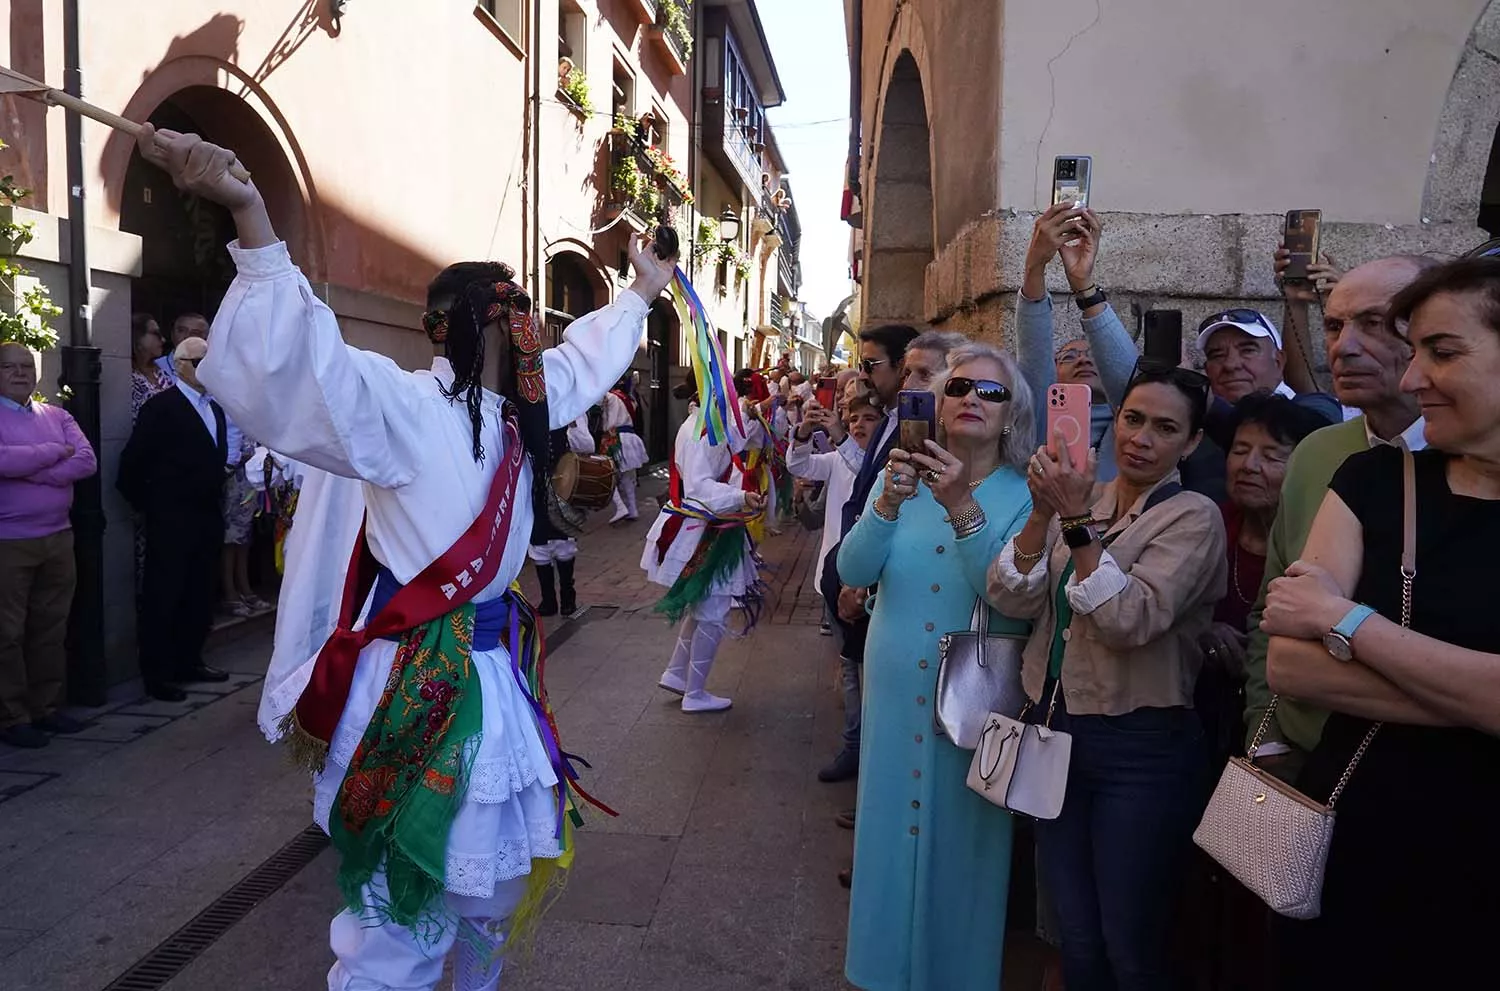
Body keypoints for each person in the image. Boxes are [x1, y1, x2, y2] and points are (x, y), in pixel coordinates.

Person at [135, 124, 676, 990]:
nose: (533, 346)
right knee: (402, 913)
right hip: (419, 672)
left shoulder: (511, 416)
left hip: (491, 667)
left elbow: (579, 365)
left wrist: (640, 296)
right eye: (516, 327)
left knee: (486, 899)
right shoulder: (400, 402)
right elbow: (307, 367)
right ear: (467, 329)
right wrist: (251, 214)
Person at [1262, 257, 1500, 988]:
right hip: (1361, 838)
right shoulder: (1369, 480)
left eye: (1443, 350)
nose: (1410, 377)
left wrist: (1345, 619)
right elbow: (1290, 665)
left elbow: (1319, 634)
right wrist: (1473, 697)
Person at [990, 358, 1227, 991]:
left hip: (1140, 745)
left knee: (1131, 940)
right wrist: (1043, 514)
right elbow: (1012, 600)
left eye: (1165, 428)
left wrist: (1071, 522)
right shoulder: (1085, 498)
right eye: (1133, 419)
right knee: (1076, 932)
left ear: (1192, 442)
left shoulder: (1193, 517)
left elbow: (1130, 620)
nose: (1142, 438)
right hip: (1056, 730)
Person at [839, 341, 1036, 991]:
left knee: (967, 847)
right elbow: (854, 570)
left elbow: (1004, 590)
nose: (972, 401)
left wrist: (960, 506)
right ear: (937, 405)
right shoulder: (904, 480)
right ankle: (881, 971)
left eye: (992, 393)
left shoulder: (1025, 495)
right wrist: (886, 507)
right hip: (896, 692)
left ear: (1013, 416)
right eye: (959, 389)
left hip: (981, 698)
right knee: (889, 828)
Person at [1241, 255, 1438, 781]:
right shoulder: (1316, 454)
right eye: (1333, 325)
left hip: (1434, 768)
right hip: (1305, 757)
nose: (1343, 347)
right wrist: (1267, 734)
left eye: (1372, 323)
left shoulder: (1474, 466)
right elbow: (1272, 605)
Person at [117, 336, 233, 702]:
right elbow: (132, 465)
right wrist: (155, 505)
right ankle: (158, 673)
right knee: (164, 594)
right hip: (171, 518)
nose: (206, 369)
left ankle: (189, 660)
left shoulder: (214, 408)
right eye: (199, 362)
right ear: (180, 363)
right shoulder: (162, 408)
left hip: (206, 516)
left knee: (199, 593)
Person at [643, 381, 767, 713]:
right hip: (703, 528)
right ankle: (695, 694)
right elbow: (699, 487)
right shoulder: (701, 431)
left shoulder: (707, 424)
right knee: (713, 610)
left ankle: (677, 673)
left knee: (702, 606)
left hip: (704, 526)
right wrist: (739, 496)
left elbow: (738, 440)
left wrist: (753, 413)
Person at [0, 342, 96, 748]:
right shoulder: (56, 432)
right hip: (9, 541)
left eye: (27, 366)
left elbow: (87, 461)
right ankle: (12, 716)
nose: (20, 372)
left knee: (50, 628)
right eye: (10, 366)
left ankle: (46, 708)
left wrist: (30, 469)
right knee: (7, 634)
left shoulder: (57, 414)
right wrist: (54, 454)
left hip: (58, 536)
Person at [788, 393, 883, 783]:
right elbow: (799, 463)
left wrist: (842, 436)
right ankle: (853, 746)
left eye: (868, 418)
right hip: (833, 576)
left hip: (868, 581)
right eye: (852, 417)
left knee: (868, 669)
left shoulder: (875, 461)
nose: (858, 425)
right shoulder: (838, 458)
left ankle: (869, 748)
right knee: (848, 665)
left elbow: (863, 470)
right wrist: (803, 432)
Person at [1015, 203, 1143, 485]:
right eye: (1069, 357)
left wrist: (1084, 286)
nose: (1084, 360)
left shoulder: (1134, 425)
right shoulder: (1038, 424)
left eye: (1092, 356)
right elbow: (1034, 358)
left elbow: (1130, 383)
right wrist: (1034, 267)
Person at [529, 414, 595, 617]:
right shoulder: (527, 415)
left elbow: (587, 445)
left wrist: (572, 425)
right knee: (539, 541)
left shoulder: (571, 412)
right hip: (536, 484)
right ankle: (549, 600)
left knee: (563, 538)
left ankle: (568, 599)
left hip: (563, 485)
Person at [603, 374, 647, 524]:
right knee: (628, 477)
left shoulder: (609, 396)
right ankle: (633, 509)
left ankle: (621, 507)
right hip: (630, 437)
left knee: (607, 474)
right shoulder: (629, 399)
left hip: (617, 439)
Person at [130, 314, 172, 421]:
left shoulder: (160, 372)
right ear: (137, 337)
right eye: (155, 334)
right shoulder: (127, 376)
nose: (162, 340)